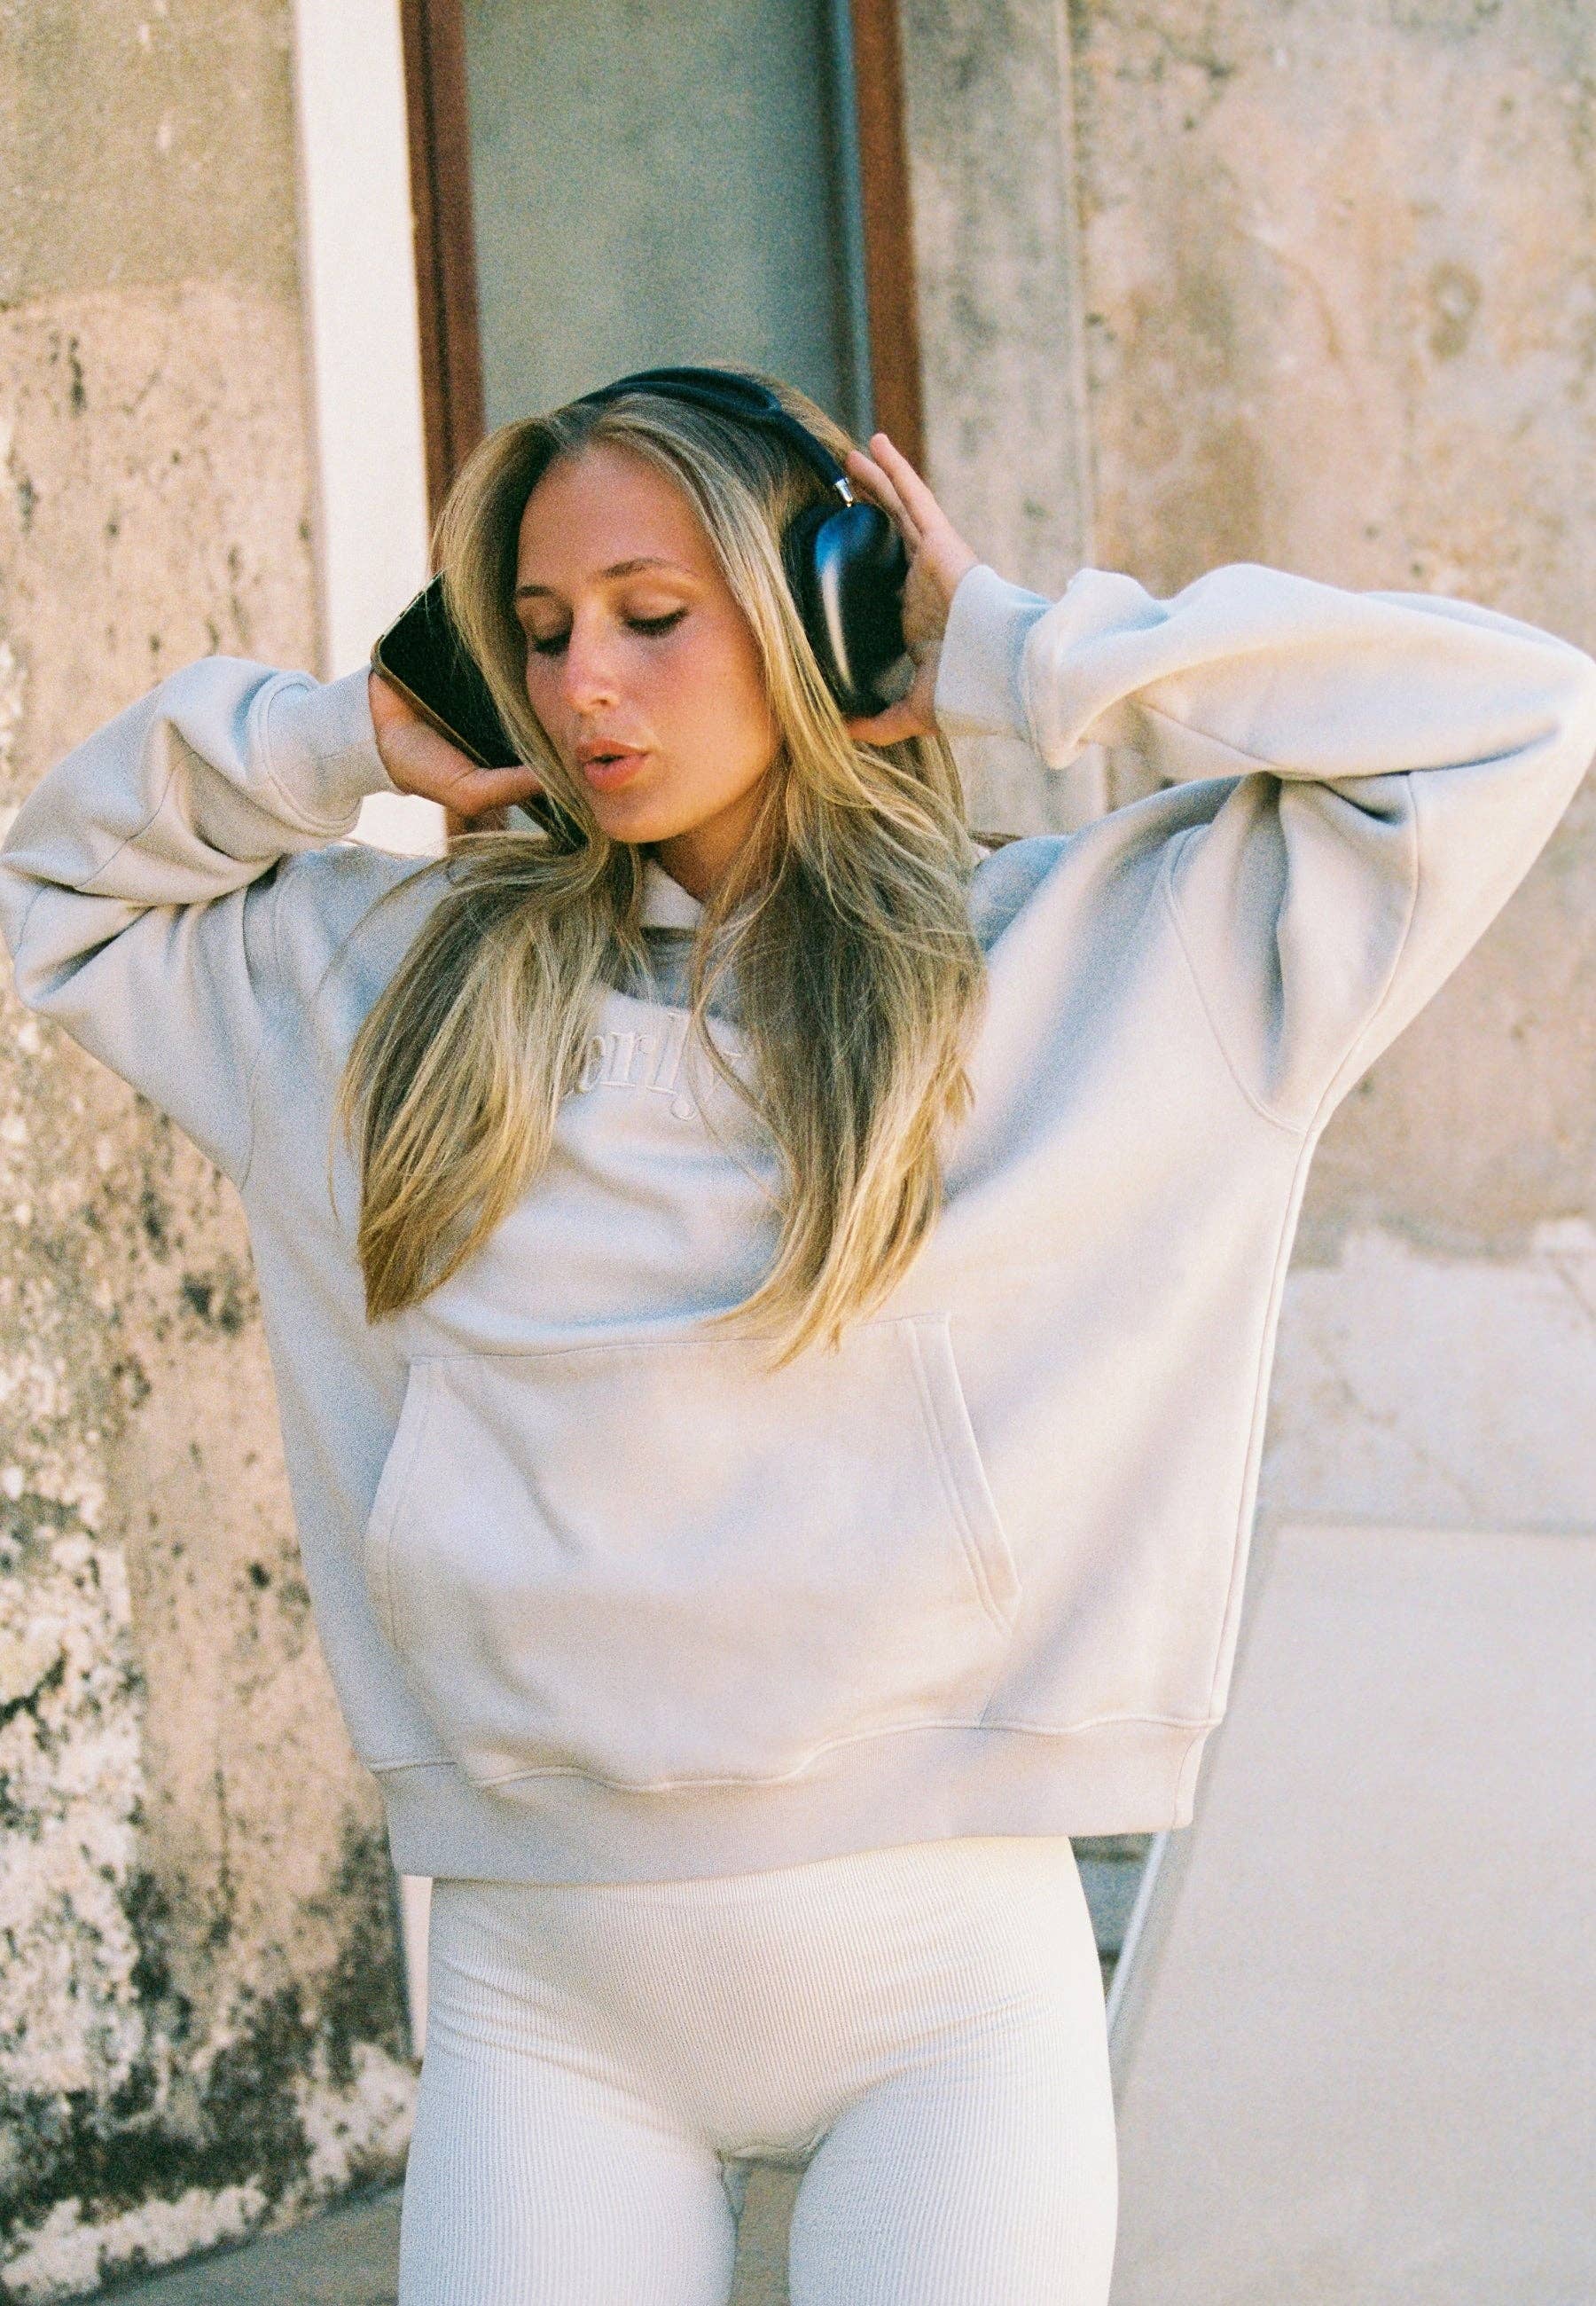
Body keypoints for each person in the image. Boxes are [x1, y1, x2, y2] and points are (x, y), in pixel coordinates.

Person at [3, 367, 1593, 2306]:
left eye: (653, 616)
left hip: (946, 2003)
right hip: (543, 1995)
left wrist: (1018, 651)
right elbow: (56, 891)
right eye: (538, 632)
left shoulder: (1078, 966)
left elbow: (1511, 718)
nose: (584, 684)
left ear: (820, 618)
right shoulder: (387, 994)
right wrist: (346, 735)